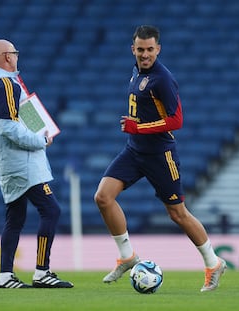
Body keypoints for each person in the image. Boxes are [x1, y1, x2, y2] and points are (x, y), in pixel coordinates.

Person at [94, 25, 226, 292]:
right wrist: (136, 131)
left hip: (160, 155)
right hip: (134, 151)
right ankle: (127, 256)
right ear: (133, 49)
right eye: (140, 49)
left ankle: (213, 263)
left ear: (158, 49)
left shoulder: (162, 79)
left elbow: (177, 120)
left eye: (150, 50)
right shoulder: (136, 71)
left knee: (177, 213)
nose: (145, 55)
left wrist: (138, 127)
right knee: (103, 197)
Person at [0, 39, 73, 289]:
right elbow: (9, 128)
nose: (17, 57)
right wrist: (39, 140)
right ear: (7, 57)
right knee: (51, 210)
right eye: (15, 53)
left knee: (15, 217)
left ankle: (5, 275)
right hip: (21, 162)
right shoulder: (5, 83)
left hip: (7, 160)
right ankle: (42, 271)